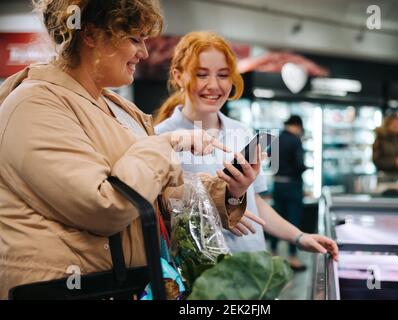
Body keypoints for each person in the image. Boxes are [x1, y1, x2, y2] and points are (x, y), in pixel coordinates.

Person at [0, 1, 259, 299]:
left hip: (125, 285)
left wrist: (224, 192)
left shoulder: (118, 109)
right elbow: (103, 206)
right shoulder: (34, 106)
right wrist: (165, 144)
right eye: (135, 39)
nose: (144, 53)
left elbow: (150, 195)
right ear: (92, 35)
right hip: (66, 289)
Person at [154, 31, 339, 270]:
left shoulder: (241, 131)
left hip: (253, 267)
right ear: (178, 76)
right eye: (201, 74)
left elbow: (256, 202)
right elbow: (160, 215)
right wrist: (223, 204)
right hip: (201, 277)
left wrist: (299, 237)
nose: (213, 85)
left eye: (223, 75)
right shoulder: (161, 137)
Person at [269, 115, 308, 269]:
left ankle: (272, 254)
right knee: (293, 220)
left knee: (274, 219)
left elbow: (272, 162)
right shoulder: (295, 140)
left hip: (278, 184)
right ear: (298, 126)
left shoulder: (277, 139)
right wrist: (305, 168)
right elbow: (299, 165)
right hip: (293, 185)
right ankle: (292, 258)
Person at [373, 113, 398, 182]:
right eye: (394, 124)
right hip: (385, 177)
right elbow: (376, 160)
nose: (396, 126)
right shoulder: (380, 138)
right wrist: (395, 162)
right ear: (388, 124)